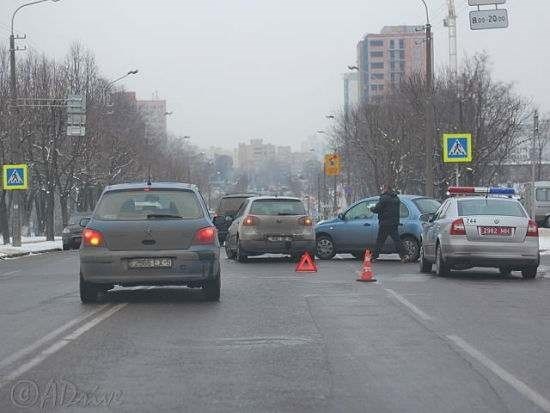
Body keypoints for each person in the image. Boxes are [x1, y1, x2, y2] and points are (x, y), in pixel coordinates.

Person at [370, 184, 406, 262]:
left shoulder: (384, 198)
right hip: (394, 223)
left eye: (383, 188)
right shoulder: (396, 198)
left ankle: (374, 257)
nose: (382, 190)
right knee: (397, 240)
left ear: (386, 189)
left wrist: (371, 208)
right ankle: (403, 255)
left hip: (385, 223)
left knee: (380, 240)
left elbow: (377, 209)